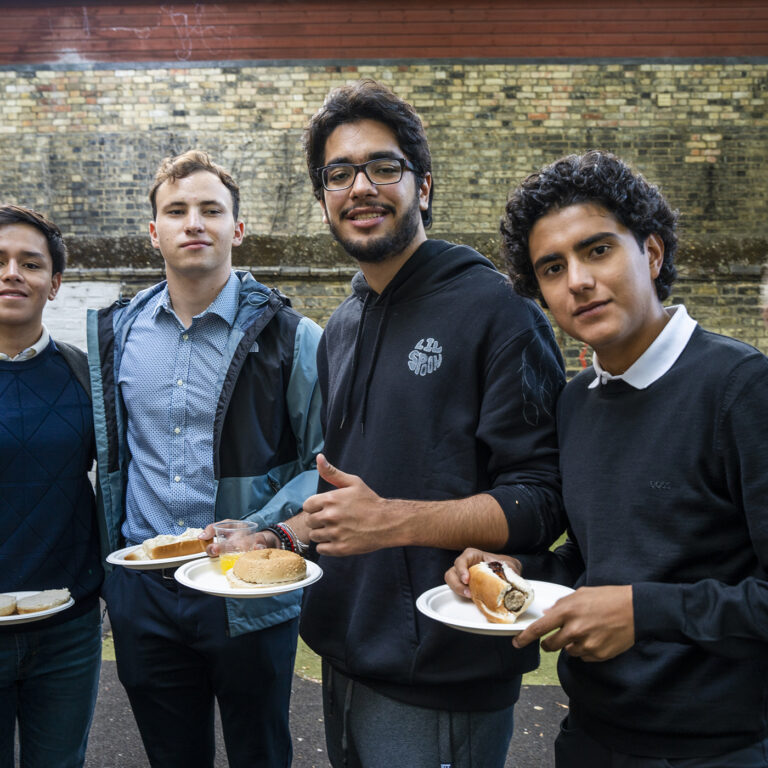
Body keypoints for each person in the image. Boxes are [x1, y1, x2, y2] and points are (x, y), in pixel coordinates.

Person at [245, 80, 566, 768]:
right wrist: (272, 535)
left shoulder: (501, 314)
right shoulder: (342, 326)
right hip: (345, 653)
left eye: (382, 166)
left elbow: (542, 501)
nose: (359, 186)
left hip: (446, 673)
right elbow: (349, 492)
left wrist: (396, 522)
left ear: (422, 186)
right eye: (338, 173)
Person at [448, 150, 768, 766]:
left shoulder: (741, 389)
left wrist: (643, 612)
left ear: (650, 254)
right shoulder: (575, 402)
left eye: (598, 250)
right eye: (552, 267)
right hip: (591, 736)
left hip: (715, 749)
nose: (577, 281)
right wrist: (516, 569)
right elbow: (598, 559)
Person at [87, 150, 323, 768]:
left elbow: (326, 458)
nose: (194, 222)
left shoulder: (292, 337)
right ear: (154, 232)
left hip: (246, 585)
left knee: (261, 753)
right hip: (144, 588)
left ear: (236, 229)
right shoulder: (117, 335)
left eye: (211, 210)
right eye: (177, 210)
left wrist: (263, 528)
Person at [0, 204, 103, 767]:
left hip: (67, 628)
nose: (12, 272)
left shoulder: (84, 376)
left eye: (30, 263)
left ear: (55, 283)